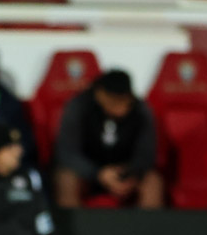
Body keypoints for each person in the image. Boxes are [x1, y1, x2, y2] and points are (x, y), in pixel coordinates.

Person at [53, 69, 164, 209]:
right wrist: (98, 173)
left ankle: (149, 229)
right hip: (88, 173)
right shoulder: (79, 106)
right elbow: (66, 153)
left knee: (153, 182)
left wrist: (130, 171)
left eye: (125, 101)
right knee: (66, 179)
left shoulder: (141, 110)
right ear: (100, 94)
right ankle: (71, 229)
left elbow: (147, 153)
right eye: (114, 101)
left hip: (125, 172)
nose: (121, 108)